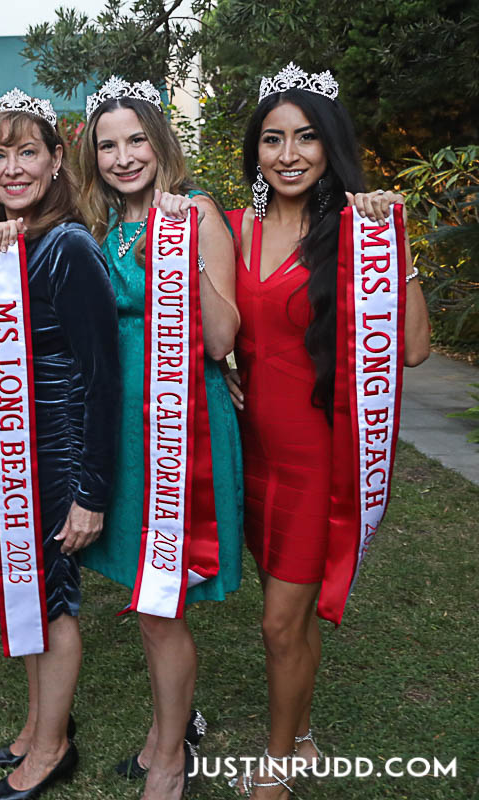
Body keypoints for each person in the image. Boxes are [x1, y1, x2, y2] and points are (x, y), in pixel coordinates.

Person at [225, 64, 430, 798]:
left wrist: (393, 248)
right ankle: (305, 737)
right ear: (256, 151)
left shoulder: (354, 232)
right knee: (291, 615)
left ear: (330, 146)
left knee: (280, 624)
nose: (288, 154)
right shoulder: (235, 226)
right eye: (273, 139)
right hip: (251, 456)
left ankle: (278, 766)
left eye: (307, 138)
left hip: (315, 458)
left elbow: (410, 349)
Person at [0, 88, 120, 800]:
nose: (12, 168)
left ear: (55, 161)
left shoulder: (70, 247)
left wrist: (90, 493)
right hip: (1, 452)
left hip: (53, 453)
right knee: (23, 589)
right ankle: (36, 724)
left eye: (27, 152)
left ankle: (50, 749)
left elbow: (104, 380)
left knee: (52, 597)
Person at [74, 77, 243, 800]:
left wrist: (185, 254)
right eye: (107, 145)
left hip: (184, 425)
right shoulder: (103, 224)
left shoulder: (196, 212)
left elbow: (224, 335)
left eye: (135, 139)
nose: (122, 156)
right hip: (126, 426)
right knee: (149, 602)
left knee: (159, 602)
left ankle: (172, 758)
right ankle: (163, 735)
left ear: (161, 142)